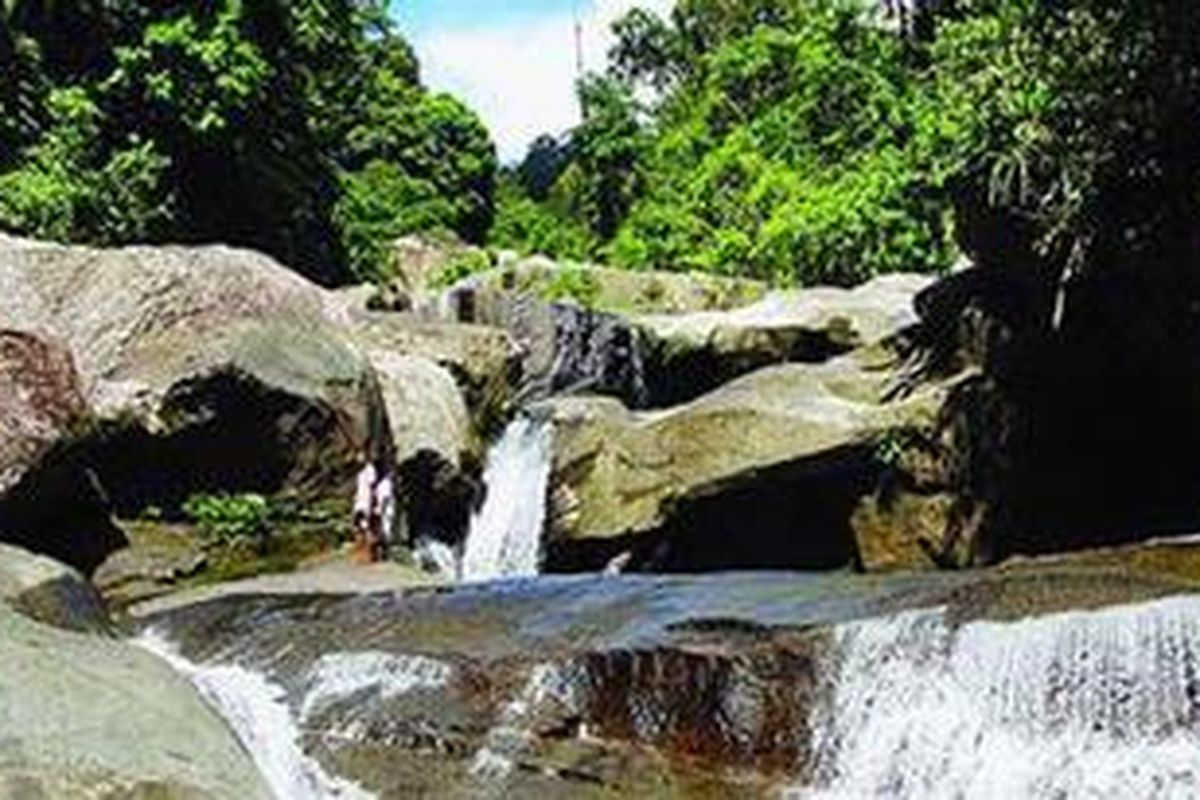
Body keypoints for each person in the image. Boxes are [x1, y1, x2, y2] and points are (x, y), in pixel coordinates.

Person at [353, 456, 395, 563]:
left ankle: (373, 553)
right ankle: (367, 553)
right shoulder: (365, 475)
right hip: (365, 506)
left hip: (371, 506)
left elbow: (383, 498)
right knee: (365, 528)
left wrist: (378, 508)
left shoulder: (384, 482)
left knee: (372, 528)